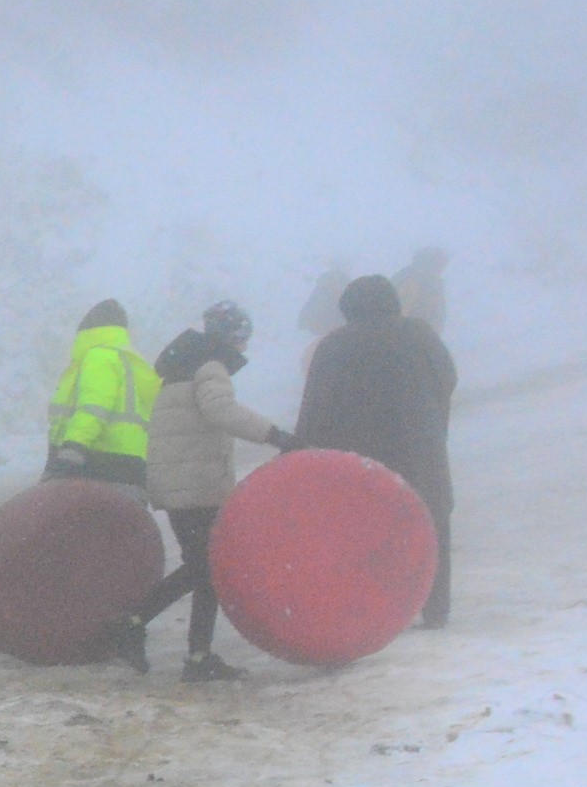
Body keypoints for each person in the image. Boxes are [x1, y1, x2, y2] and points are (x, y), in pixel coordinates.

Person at [114, 301, 292, 680]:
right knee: (205, 567)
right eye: (243, 336)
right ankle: (132, 623)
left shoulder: (179, 368)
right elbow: (222, 412)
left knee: (207, 568)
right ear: (231, 336)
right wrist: (276, 436)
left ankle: (198, 657)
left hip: (180, 482)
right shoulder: (210, 367)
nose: (245, 345)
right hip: (197, 486)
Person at [293, 273, 458, 627]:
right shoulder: (420, 334)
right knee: (430, 523)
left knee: (369, 531)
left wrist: (301, 452)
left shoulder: (334, 347)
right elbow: (447, 379)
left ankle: (378, 608)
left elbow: (315, 407)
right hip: (420, 449)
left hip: (362, 458)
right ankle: (435, 606)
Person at [44, 298, 159, 486]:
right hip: (129, 467)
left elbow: (94, 407)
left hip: (96, 462)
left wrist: (73, 447)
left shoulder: (100, 357)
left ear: (89, 329)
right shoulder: (128, 359)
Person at [393, 246, 449, 337]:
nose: (440, 270)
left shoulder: (435, 286)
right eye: (437, 265)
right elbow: (398, 314)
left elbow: (438, 316)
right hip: (406, 338)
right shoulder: (408, 282)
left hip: (423, 339)